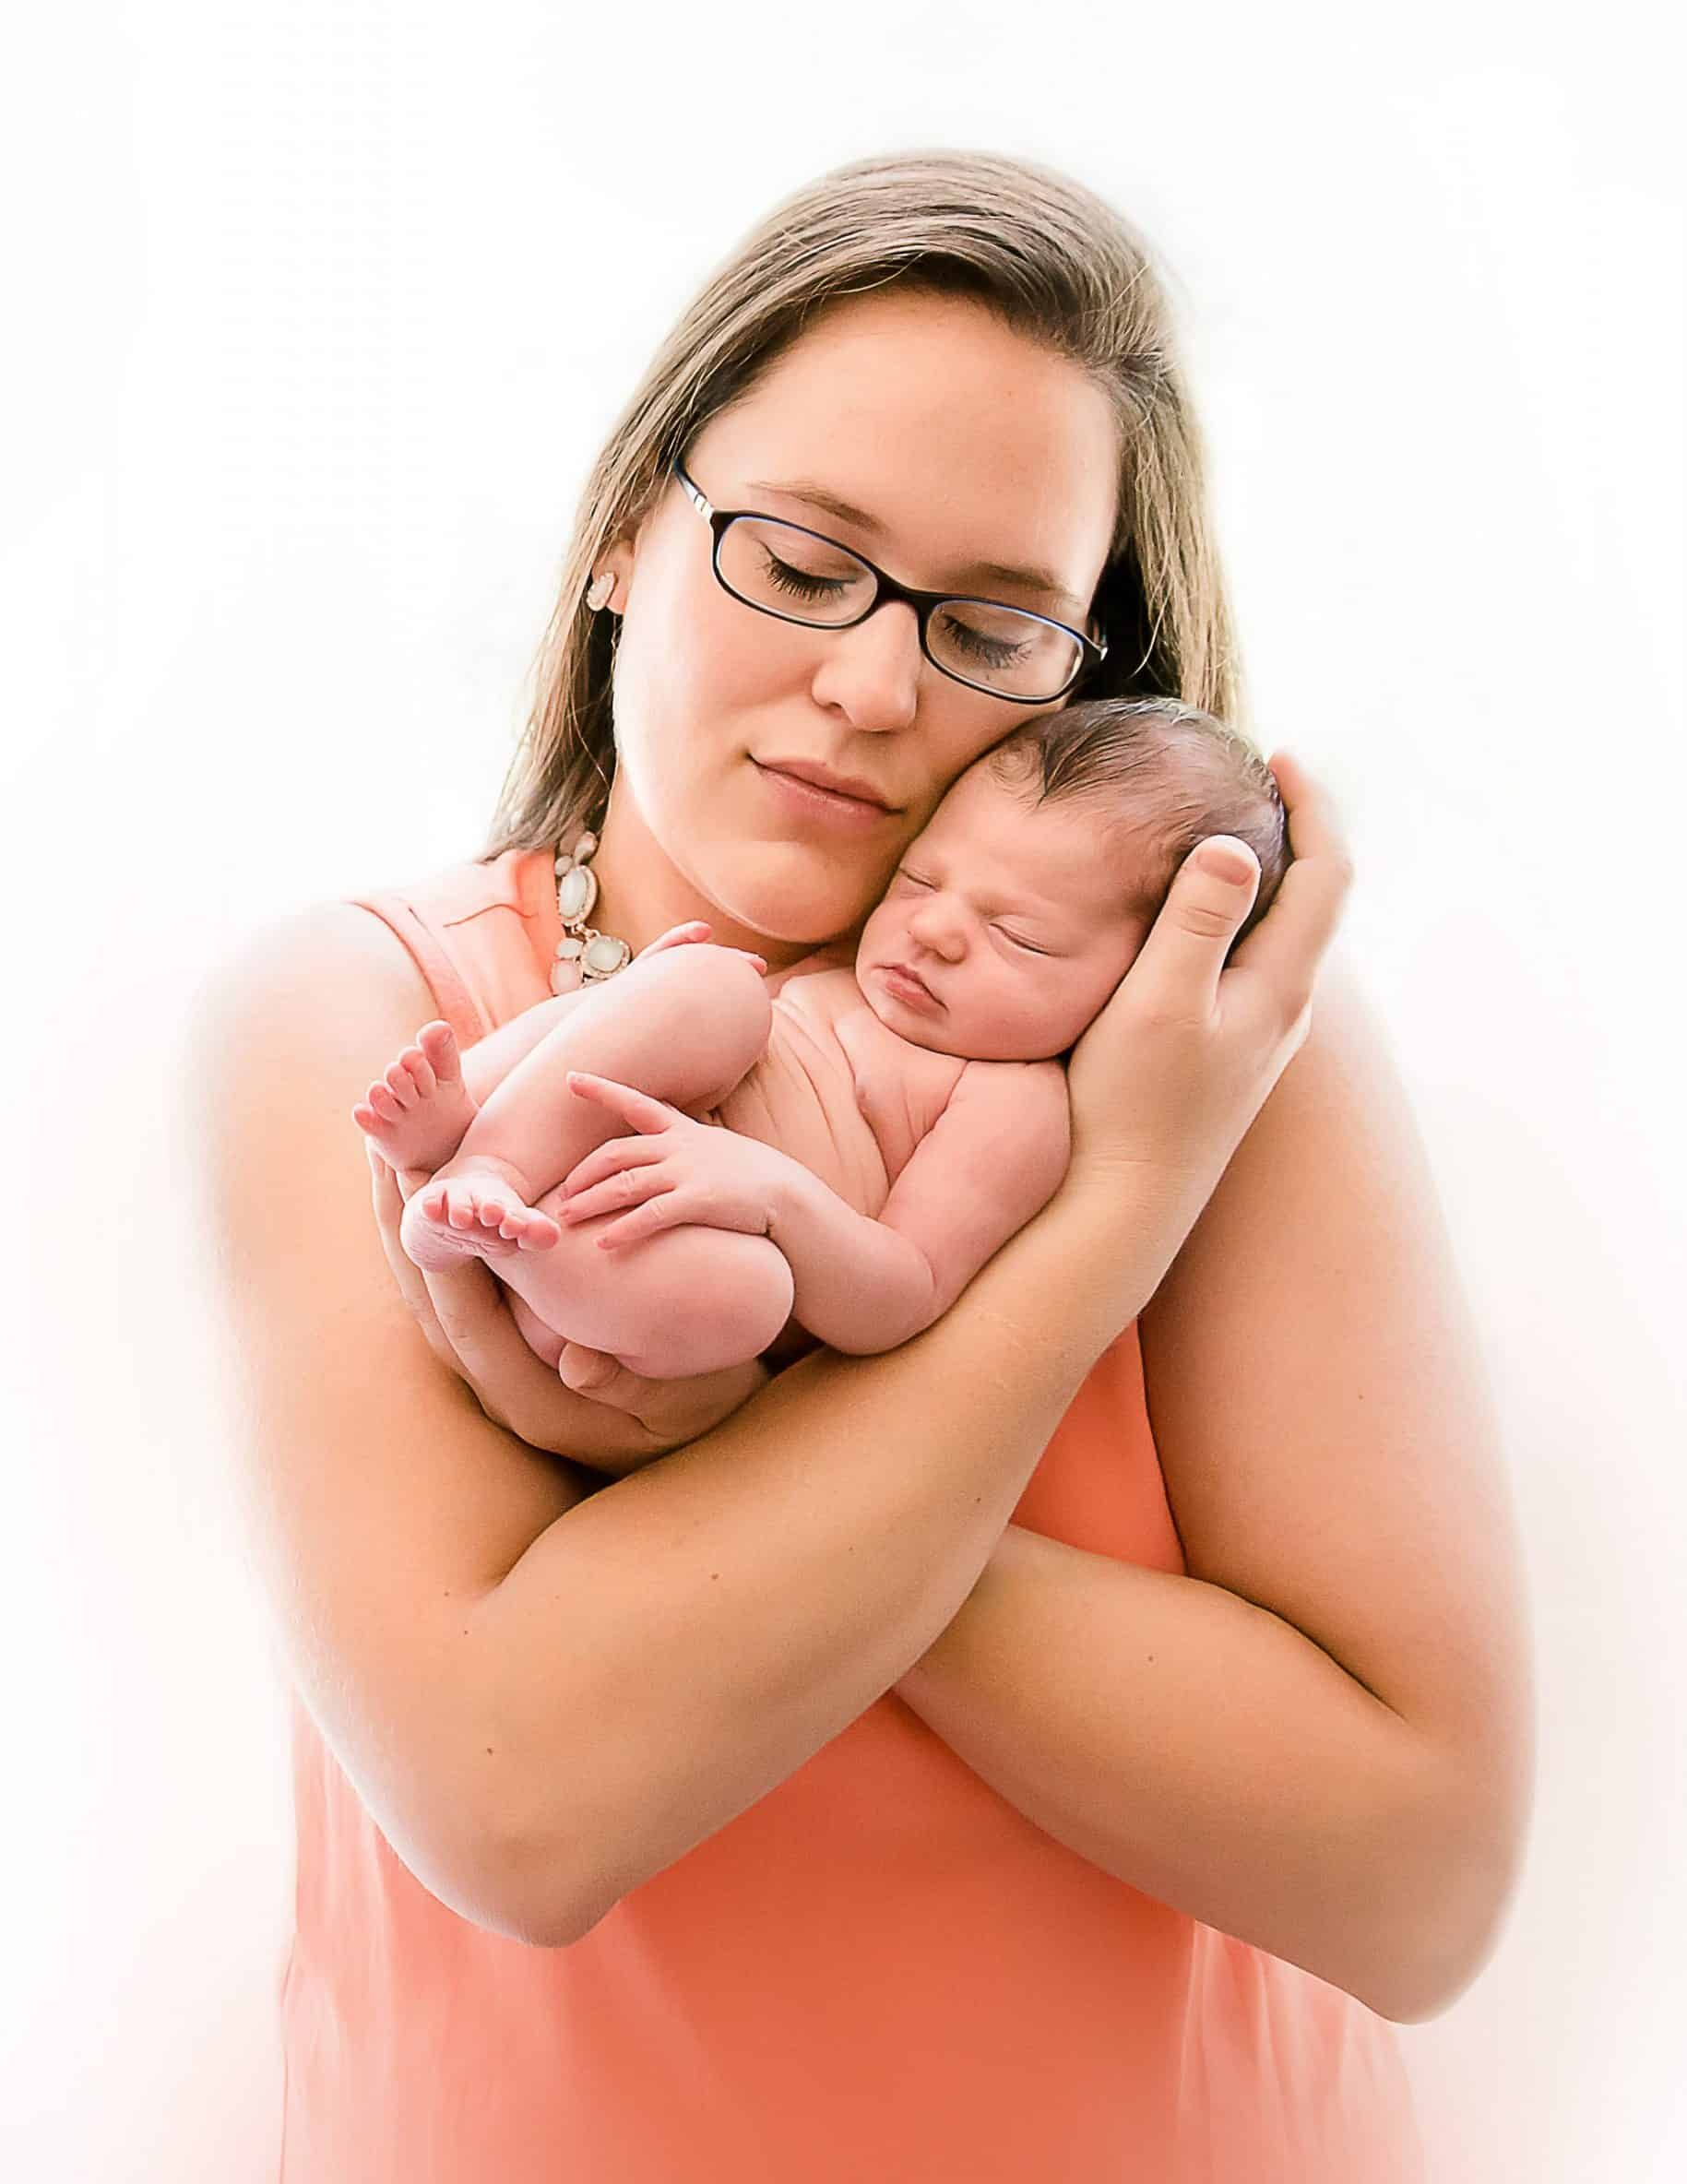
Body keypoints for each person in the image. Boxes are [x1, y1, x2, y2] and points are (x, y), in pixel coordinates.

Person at [185, 148, 1534, 2181]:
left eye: (995, 621)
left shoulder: (1196, 1048)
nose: (871, 685)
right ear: (627, 535)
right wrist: (1072, 1267)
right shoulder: (367, 1018)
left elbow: (1416, 1885)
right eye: (799, 561)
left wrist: (690, 1510)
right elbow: (521, 1792)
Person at [350, 698, 1289, 1411]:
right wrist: (657, 1000)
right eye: (922, 876)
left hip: (650, 1265)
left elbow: (902, 1292)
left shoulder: (1013, 1103)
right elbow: (668, 1037)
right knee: (707, 983)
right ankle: (476, 1149)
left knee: (748, 1298)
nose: (934, 931)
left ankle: (520, 1252)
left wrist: (767, 1191)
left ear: (1142, 985)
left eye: (1020, 937)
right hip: (565, 1145)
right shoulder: (838, 965)